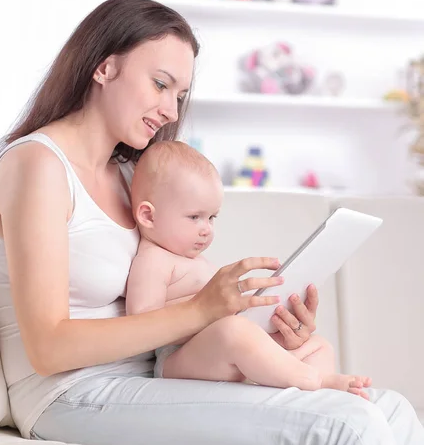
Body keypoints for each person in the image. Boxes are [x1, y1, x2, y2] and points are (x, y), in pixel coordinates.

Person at [0, 0, 424, 445]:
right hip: (71, 395)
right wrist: (203, 308)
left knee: (390, 410)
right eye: (160, 84)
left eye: (180, 95)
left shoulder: (130, 176)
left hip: (155, 373)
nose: (170, 109)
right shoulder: (38, 166)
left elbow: (170, 304)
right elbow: (48, 347)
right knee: (345, 430)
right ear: (104, 65)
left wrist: (264, 331)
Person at [126, 139, 372, 398]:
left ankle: (314, 398)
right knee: (234, 331)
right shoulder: (153, 259)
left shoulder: (195, 262)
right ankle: (315, 380)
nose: (206, 229)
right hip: (179, 359)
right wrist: (202, 308)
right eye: (194, 217)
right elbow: (140, 323)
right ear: (148, 216)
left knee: (318, 345)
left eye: (211, 217)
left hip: (227, 351)